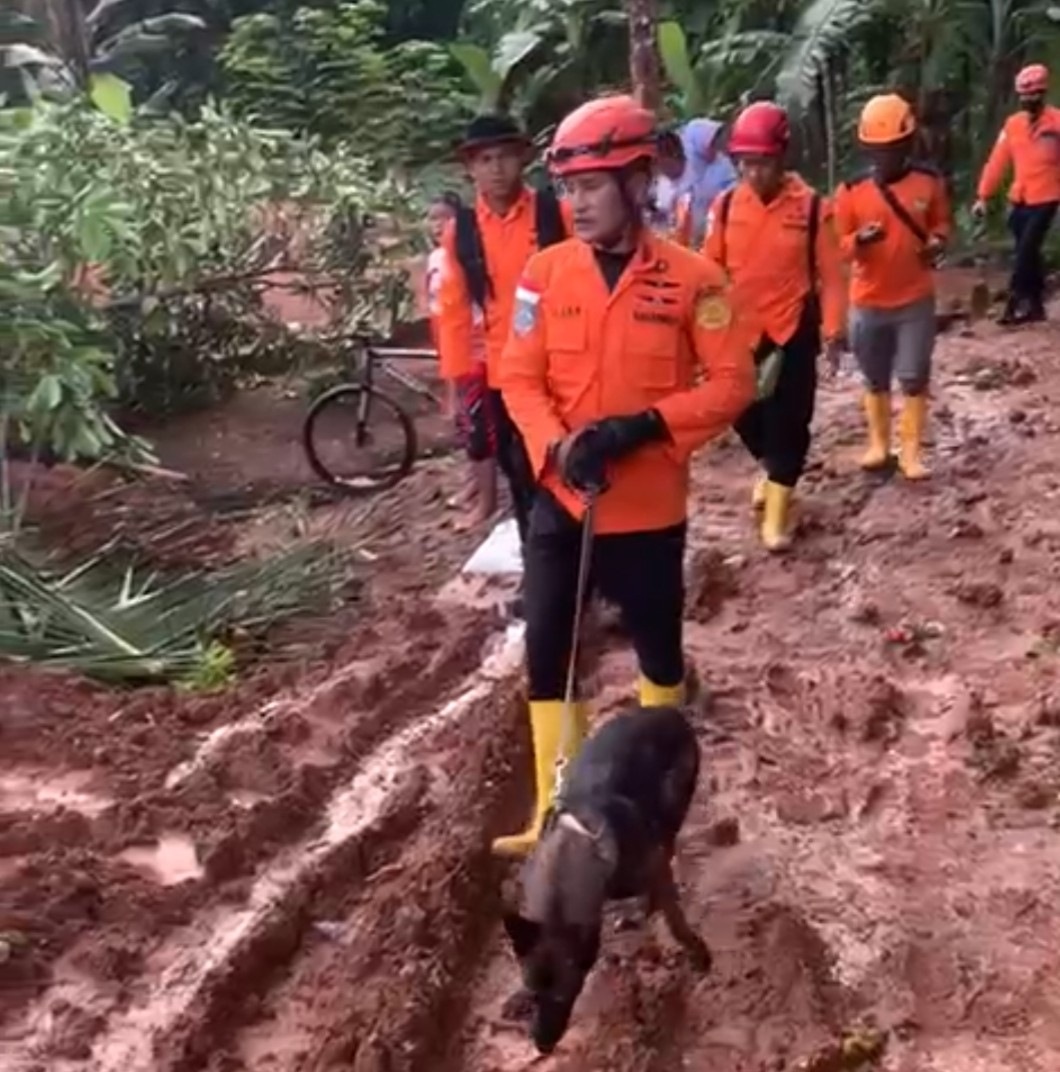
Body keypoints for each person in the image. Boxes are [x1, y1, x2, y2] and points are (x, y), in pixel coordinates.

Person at [492, 94, 758, 857]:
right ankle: (554, 813)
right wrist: (555, 445)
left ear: (639, 182)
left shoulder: (695, 281)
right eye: (569, 189)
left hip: (647, 509)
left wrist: (643, 426)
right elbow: (519, 376)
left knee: (658, 654)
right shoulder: (544, 275)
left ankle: (646, 807)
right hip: (562, 504)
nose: (575, 203)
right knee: (548, 648)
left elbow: (731, 384)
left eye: (593, 187)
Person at [436, 116, 570, 609]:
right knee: (520, 476)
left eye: (505, 157)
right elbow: (453, 313)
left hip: (563, 370)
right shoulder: (461, 232)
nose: (496, 169)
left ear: (523, 160)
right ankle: (542, 577)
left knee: (568, 469)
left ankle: (584, 572)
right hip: (502, 376)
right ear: (470, 169)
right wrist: (456, 389)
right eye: (484, 160)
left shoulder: (555, 215)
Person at [701, 101, 845, 552]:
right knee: (740, 412)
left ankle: (778, 514)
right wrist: (703, 328)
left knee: (790, 421)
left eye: (761, 162)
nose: (752, 171)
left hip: (793, 330)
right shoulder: (725, 207)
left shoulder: (811, 209)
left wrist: (835, 330)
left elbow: (834, 275)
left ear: (782, 158)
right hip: (741, 331)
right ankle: (772, 468)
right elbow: (709, 270)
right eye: (744, 162)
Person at [834, 94, 951, 482]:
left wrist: (937, 241)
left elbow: (942, 225)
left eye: (892, 149)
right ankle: (879, 444)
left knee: (914, 374)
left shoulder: (928, 182)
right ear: (867, 148)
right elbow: (837, 247)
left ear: (906, 144)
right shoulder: (851, 191)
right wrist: (858, 242)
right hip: (868, 301)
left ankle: (912, 451)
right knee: (874, 376)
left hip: (914, 299)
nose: (885, 157)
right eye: (877, 150)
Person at [425, 193, 497, 526]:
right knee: (468, 427)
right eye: (433, 218)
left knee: (479, 429)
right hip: (453, 347)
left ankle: (487, 502)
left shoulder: (471, 262)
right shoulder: (437, 260)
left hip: (476, 355)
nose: (439, 225)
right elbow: (440, 313)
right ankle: (475, 486)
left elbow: (475, 317)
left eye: (446, 218)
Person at [973, 64, 1060, 325]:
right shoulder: (1012, 126)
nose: (1028, 101)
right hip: (1020, 198)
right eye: (1024, 96)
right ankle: (1036, 305)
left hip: (1048, 196)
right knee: (1029, 253)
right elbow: (997, 161)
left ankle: (1014, 302)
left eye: (1034, 95)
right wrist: (983, 196)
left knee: (1025, 250)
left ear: (1042, 94)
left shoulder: (1056, 123)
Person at [669, 118, 738, 248]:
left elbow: (733, 190)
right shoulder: (684, 165)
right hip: (686, 235)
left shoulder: (723, 165)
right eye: (711, 143)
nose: (714, 147)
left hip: (718, 229)